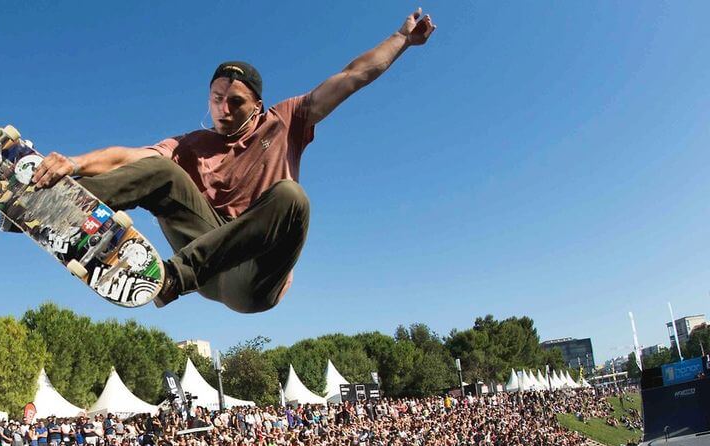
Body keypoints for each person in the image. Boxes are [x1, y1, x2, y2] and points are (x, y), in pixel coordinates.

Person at [29, 10, 436, 312]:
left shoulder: (287, 119)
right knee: (162, 170)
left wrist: (401, 38)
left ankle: (173, 278)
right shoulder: (193, 142)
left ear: (257, 105)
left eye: (235, 102)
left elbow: (353, 76)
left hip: (253, 277)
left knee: (291, 197)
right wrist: (75, 164)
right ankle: (53, 205)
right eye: (217, 100)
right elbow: (131, 158)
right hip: (206, 253)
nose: (224, 110)